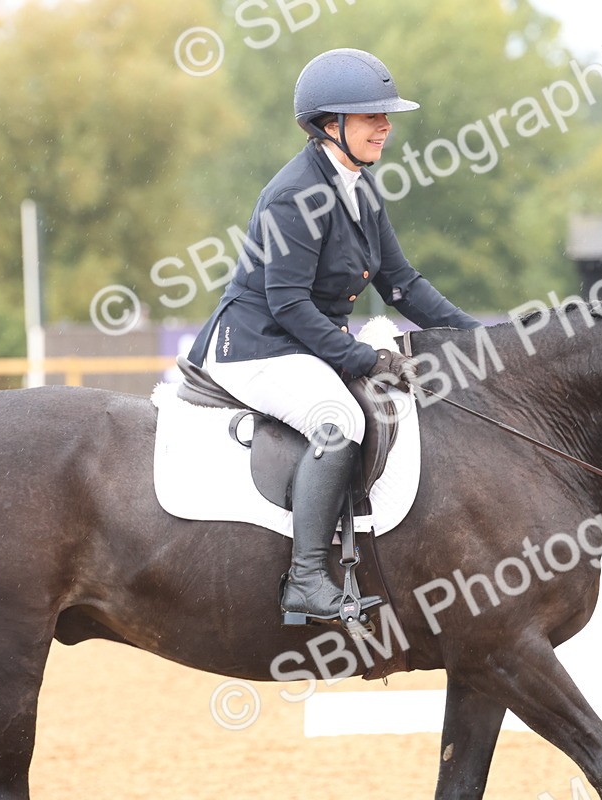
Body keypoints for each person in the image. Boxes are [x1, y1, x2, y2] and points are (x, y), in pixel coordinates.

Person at [186, 48, 481, 625]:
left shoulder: (359, 187)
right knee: (338, 420)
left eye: (386, 116)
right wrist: (360, 357)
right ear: (331, 125)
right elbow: (287, 302)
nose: (386, 126)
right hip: (256, 348)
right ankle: (307, 578)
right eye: (373, 116)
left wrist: (481, 338)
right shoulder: (294, 194)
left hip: (298, 341)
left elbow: (402, 285)